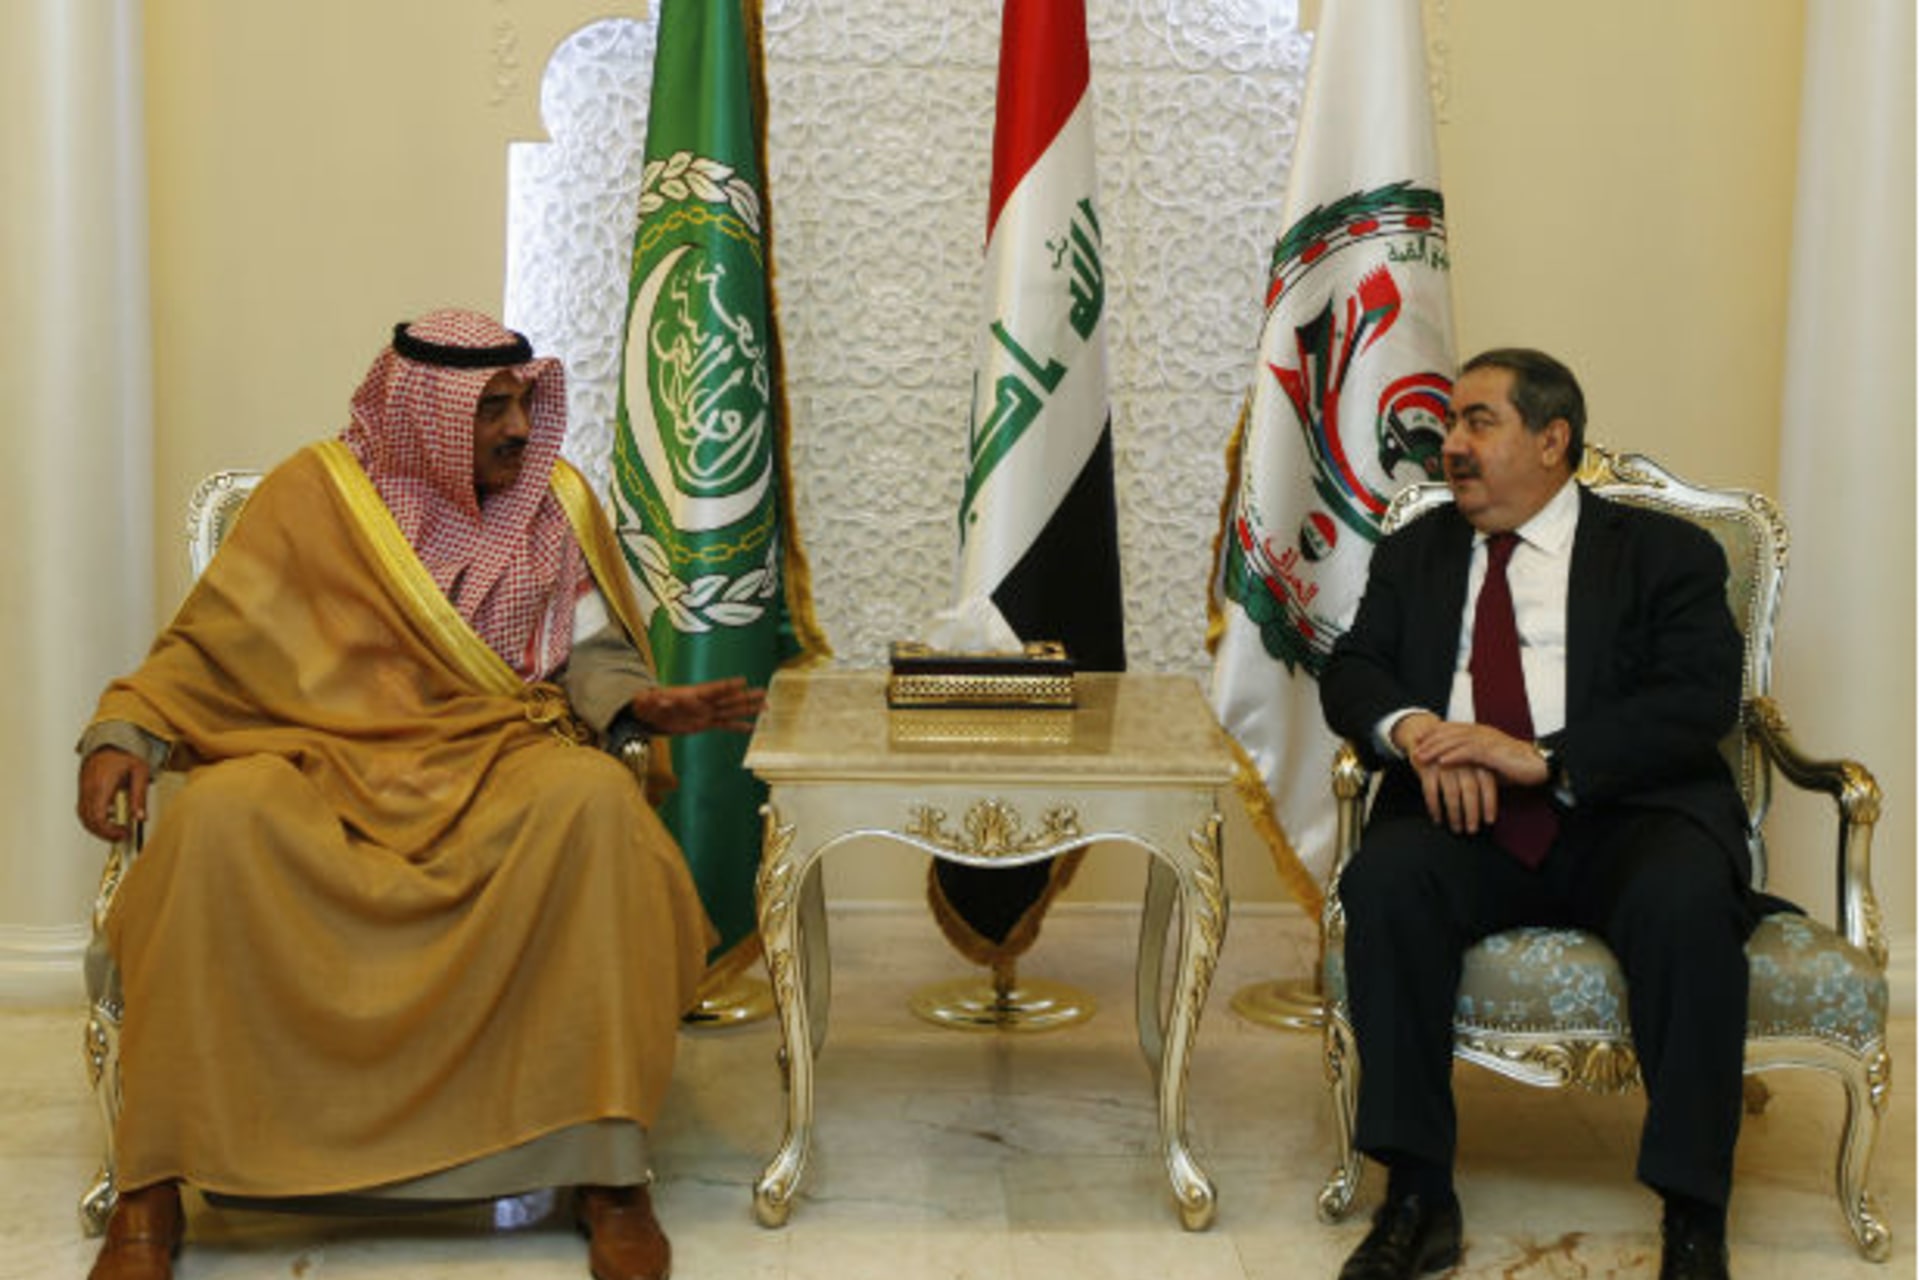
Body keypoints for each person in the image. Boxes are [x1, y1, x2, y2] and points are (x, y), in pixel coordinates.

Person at [75, 310, 764, 1280]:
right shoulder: (312, 498)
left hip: (500, 752)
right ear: (423, 413)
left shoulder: (553, 503)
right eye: (491, 408)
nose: (520, 429)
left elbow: (592, 651)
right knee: (217, 827)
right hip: (322, 757)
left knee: (597, 814)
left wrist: (638, 700)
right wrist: (123, 733)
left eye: (523, 402)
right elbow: (208, 648)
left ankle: (607, 1172)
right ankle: (151, 1188)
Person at [1320, 349, 1758, 1280]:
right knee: (1387, 880)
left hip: (1623, 812)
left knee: (1686, 900)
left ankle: (1693, 1215)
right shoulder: (1417, 551)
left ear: (1552, 440)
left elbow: (1699, 699)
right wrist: (1420, 731)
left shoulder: (1663, 553)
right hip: (1462, 818)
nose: (1453, 444)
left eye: (1479, 421)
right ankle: (1416, 1196)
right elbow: (1354, 668)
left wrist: (1547, 758)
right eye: (1449, 424)